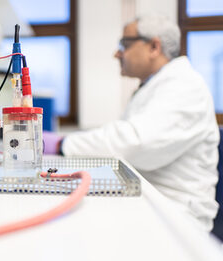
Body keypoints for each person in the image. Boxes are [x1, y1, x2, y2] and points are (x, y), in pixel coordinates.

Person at [44, 14, 220, 231]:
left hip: (177, 217)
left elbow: (136, 143)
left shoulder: (185, 86)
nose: (117, 53)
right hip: (152, 203)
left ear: (154, 46)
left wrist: (63, 144)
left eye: (124, 44)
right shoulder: (155, 86)